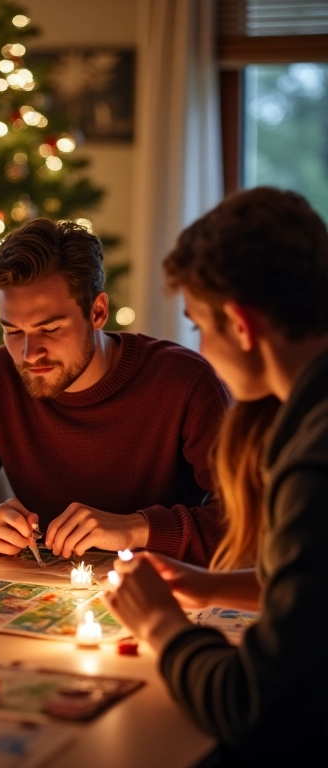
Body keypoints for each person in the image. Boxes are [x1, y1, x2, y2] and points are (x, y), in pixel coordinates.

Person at [103, 187, 328, 765]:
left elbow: (255, 709)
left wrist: (160, 623)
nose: (200, 346)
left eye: (199, 324)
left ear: (241, 324)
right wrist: (211, 586)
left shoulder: (313, 459)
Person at [0, 217, 230, 565]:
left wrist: (136, 529)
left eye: (50, 329)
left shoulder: (185, 382)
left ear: (98, 312)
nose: (30, 354)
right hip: (49, 595)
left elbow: (252, 523)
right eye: (13, 331)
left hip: (167, 591)